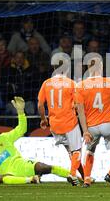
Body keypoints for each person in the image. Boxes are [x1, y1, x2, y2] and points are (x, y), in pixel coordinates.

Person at [0, 97, 71, 185]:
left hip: (22, 165)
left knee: (44, 167)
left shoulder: (4, 138)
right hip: (9, 174)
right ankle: (31, 180)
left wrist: (21, 112)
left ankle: (71, 175)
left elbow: (21, 129)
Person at [75, 55, 110, 188]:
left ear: (87, 68)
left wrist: (85, 131)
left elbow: (80, 111)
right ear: (101, 67)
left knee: (90, 149)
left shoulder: (80, 86)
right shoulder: (109, 81)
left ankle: (86, 180)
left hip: (91, 126)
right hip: (108, 123)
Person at [37, 57, 90, 186]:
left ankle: (83, 177)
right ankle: (72, 174)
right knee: (77, 150)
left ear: (54, 68)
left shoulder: (46, 83)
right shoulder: (72, 84)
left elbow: (39, 105)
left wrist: (44, 119)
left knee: (71, 153)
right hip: (70, 123)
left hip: (54, 125)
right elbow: (78, 105)